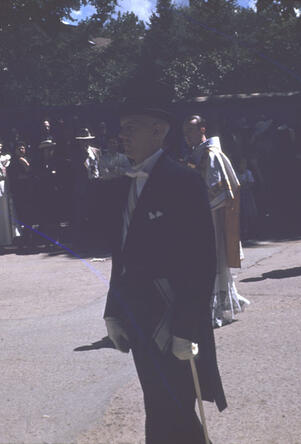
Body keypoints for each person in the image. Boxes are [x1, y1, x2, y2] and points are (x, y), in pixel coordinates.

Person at [102, 99, 227, 443]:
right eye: (122, 128)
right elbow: (122, 256)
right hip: (138, 313)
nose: (122, 135)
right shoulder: (124, 182)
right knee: (159, 403)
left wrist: (188, 327)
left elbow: (201, 260)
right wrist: (113, 312)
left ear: (159, 131)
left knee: (172, 403)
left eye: (132, 127)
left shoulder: (183, 180)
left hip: (171, 317)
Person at [183, 115, 250, 327]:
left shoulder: (210, 155)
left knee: (211, 261)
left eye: (191, 131)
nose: (187, 137)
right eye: (184, 133)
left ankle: (214, 310)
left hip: (210, 218)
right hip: (200, 217)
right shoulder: (197, 154)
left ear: (202, 129)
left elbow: (220, 190)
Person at [71, 128, 101, 250]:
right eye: (83, 140)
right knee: (81, 214)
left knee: (95, 213)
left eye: (87, 140)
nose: (85, 142)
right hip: (82, 186)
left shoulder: (96, 151)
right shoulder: (76, 153)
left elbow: (101, 165)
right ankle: (81, 243)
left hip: (95, 183)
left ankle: (96, 241)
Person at [7, 141, 36, 248]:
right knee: (20, 217)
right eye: (19, 148)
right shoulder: (12, 163)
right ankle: (22, 239)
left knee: (30, 217)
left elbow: (32, 174)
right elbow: (13, 178)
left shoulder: (29, 160)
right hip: (18, 193)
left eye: (23, 148)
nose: (21, 150)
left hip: (29, 192)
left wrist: (26, 165)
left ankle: (30, 239)